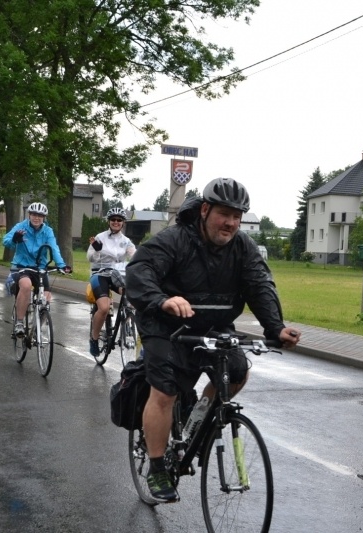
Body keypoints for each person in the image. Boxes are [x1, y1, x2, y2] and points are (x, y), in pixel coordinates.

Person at [126, 177, 301, 503]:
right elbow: (141, 270)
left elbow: (259, 285)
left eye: (238, 216)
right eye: (225, 214)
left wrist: (275, 328)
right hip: (165, 324)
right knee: (165, 390)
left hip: (211, 325)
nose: (232, 223)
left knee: (236, 371)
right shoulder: (175, 240)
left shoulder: (242, 247)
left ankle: (200, 424)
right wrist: (161, 300)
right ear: (205, 210)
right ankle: (157, 468)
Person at [3, 202, 71, 338]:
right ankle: (19, 323)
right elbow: (6, 241)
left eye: (40, 215)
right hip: (21, 266)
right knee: (26, 286)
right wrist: (15, 239)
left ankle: (37, 329)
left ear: (44, 217)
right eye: (34, 214)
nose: (36, 218)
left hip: (40, 267)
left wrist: (62, 265)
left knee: (46, 299)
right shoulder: (21, 226)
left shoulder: (48, 231)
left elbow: (54, 248)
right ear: (29, 215)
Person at [87, 207, 136, 356]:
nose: (116, 222)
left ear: (123, 223)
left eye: (119, 220)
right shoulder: (100, 237)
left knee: (131, 296)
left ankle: (127, 320)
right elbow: (90, 258)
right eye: (113, 219)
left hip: (117, 275)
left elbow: (135, 256)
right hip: (100, 274)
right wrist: (96, 250)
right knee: (103, 307)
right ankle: (94, 339)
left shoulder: (126, 241)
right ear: (109, 221)